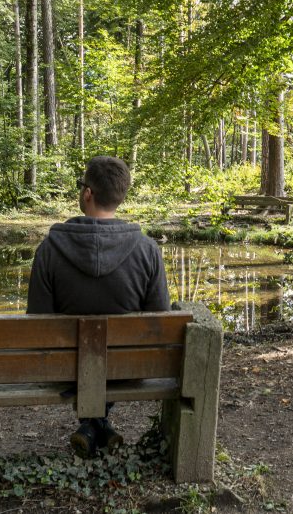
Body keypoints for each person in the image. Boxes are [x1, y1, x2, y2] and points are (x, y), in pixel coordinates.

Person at [27, 156, 170, 458]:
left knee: (82, 359)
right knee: (111, 357)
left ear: (88, 193)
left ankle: (91, 425)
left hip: (63, 369)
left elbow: (37, 323)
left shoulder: (49, 249)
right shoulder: (147, 250)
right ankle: (97, 423)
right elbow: (159, 322)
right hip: (129, 368)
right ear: (120, 196)